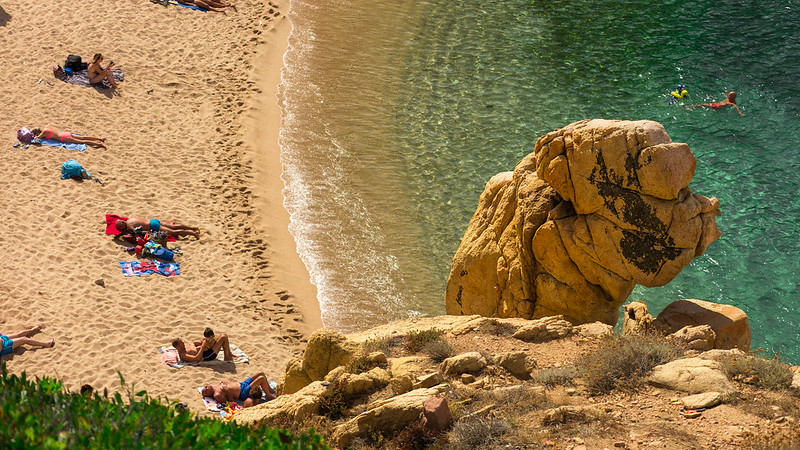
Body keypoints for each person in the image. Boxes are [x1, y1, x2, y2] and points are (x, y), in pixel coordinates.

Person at [201, 371, 276, 407]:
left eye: (205, 387)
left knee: (261, 373)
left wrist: (224, 382)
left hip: (242, 384)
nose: (206, 388)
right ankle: (268, 396)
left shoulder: (215, 386)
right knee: (261, 378)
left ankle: (270, 390)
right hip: (243, 392)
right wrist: (227, 391)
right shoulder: (217, 394)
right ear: (209, 394)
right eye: (206, 392)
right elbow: (231, 402)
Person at [115, 217, 200, 239]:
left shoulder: (129, 225)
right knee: (173, 226)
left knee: (173, 232)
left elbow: (135, 232)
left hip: (153, 226)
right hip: (153, 220)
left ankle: (193, 233)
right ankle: (193, 228)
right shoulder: (130, 219)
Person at [29, 127, 107, 149]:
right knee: (83, 137)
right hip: (65, 133)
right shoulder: (46, 128)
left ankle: (100, 144)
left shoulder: (43, 133)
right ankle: (100, 138)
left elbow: (36, 138)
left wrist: (35, 136)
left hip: (64, 138)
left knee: (82, 141)